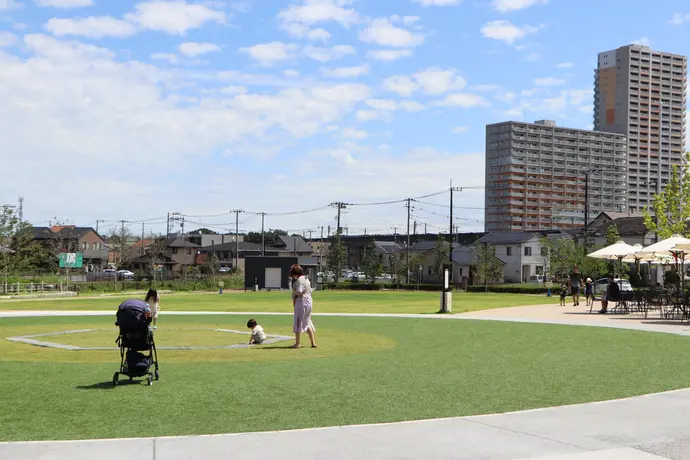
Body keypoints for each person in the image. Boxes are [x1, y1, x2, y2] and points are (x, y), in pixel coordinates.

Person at [289, 264, 317, 349]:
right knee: (307, 321)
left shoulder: (299, 281)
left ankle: (297, 343)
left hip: (301, 301)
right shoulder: (306, 279)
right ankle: (313, 342)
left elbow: (299, 292)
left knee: (298, 321)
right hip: (309, 300)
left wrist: (293, 290)